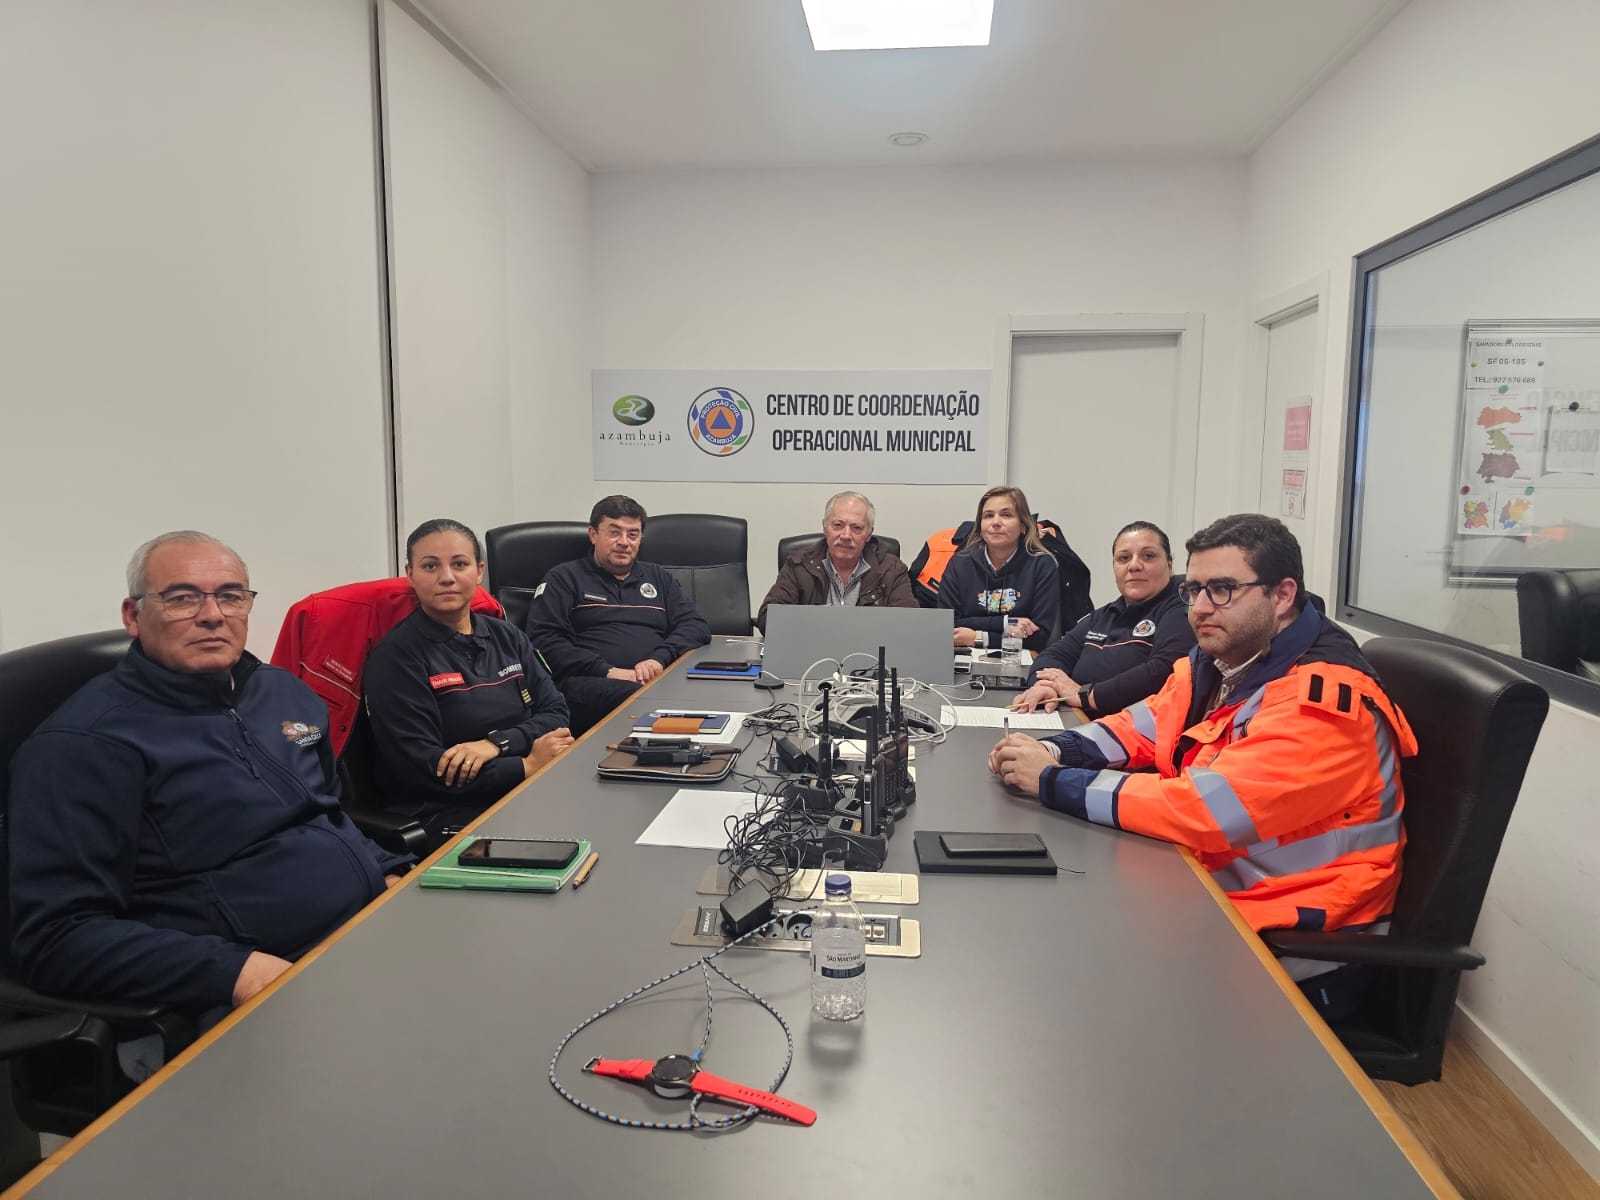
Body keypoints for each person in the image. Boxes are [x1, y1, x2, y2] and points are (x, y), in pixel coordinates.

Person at [989, 514, 1418, 1018]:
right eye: (1193, 590)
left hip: (1288, 935)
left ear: (1282, 595)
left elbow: (1205, 810)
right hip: (1208, 889)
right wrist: (1056, 749)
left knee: (1061, 971)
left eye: (1222, 590)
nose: (1200, 608)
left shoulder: (1321, 702)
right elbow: (1140, 726)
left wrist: (1051, 780)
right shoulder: (1223, 661)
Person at [7, 531, 412, 1031]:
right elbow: (56, 938)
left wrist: (389, 874)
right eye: (182, 598)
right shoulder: (84, 745)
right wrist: (236, 972)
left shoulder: (281, 692)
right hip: (260, 982)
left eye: (231, 596)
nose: (213, 615)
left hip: (366, 932)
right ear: (133, 616)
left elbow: (329, 811)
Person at [364, 519, 574, 843]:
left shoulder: (507, 636)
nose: (446, 577)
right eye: (430, 566)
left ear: (479, 572)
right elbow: (426, 768)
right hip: (450, 811)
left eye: (459, 564)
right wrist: (525, 765)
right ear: (410, 574)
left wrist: (497, 744)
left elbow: (556, 712)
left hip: (526, 790)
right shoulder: (396, 658)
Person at [525, 495, 711, 733]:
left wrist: (658, 659)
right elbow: (543, 640)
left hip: (652, 678)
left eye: (633, 534)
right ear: (593, 534)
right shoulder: (564, 578)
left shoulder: (658, 577)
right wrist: (608, 671)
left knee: (709, 693)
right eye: (614, 533)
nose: (624, 542)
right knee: (646, 699)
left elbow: (695, 625)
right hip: (588, 683)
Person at [1010, 520, 1193, 716]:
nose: (1134, 565)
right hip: (1077, 719)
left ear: (1169, 564)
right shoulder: (1106, 614)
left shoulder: (1183, 608)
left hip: (1131, 730)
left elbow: (1166, 670)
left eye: (1148, 556)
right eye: (1123, 558)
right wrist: (1045, 687)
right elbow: (1053, 655)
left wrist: (1087, 695)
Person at [757, 491, 917, 630]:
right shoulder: (799, 565)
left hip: (869, 652)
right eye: (838, 525)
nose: (846, 535)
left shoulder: (891, 569)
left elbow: (909, 623)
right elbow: (768, 619)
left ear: (869, 534)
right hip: (810, 650)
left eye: (856, 528)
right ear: (825, 527)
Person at [936, 485, 1059, 652]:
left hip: (1019, 660)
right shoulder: (959, 564)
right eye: (988, 516)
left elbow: (1039, 637)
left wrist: (978, 637)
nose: (995, 522)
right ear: (980, 526)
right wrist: (1006, 623)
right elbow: (947, 625)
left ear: (1023, 525)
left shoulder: (1042, 565)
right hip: (963, 657)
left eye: (1006, 515)